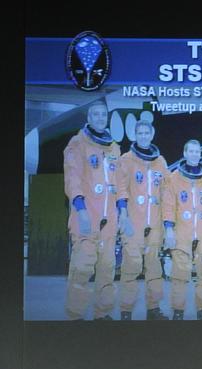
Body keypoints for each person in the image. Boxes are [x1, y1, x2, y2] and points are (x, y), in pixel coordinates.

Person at [62, 102, 120, 320]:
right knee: (82, 268)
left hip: (109, 219)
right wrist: (81, 209)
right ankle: (75, 314)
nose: (99, 118)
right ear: (88, 117)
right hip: (86, 215)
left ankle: (102, 313)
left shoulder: (113, 147)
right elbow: (73, 178)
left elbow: (118, 183)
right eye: (95, 114)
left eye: (103, 114)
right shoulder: (77, 144)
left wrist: (122, 212)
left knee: (107, 269)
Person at [114, 120, 170, 320]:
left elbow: (166, 192)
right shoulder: (126, 160)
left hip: (154, 224)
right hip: (133, 223)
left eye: (147, 133)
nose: (144, 136)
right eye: (141, 133)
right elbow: (120, 188)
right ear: (135, 135)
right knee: (131, 267)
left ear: (152, 134)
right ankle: (126, 311)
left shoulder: (160, 162)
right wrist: (123, 214)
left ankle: (153, 309)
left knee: (154, 268)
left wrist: (168, 224)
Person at [162, 139, 202, 320]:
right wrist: (169, 230)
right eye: (191, 151)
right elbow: (168, 206)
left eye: (198, 151)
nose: (195, 154)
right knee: (180, 275)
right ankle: (178, 311)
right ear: (185, 153)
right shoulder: (173, 178)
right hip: (182, 233)